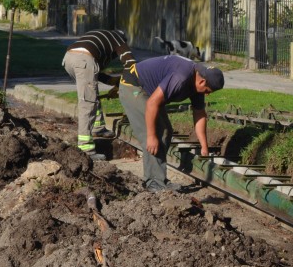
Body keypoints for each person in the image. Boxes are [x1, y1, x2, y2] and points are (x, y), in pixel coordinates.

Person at [119, 55, 223, 192]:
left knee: (166, 131)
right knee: (155, 133)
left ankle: (159, 180)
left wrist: (204, 147)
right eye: (208, 91)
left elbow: (199, 114)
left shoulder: (198, 83)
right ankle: (154, 183)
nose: (208, 95)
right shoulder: (181, 78)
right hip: (133, 85)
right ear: (203, 81)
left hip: (150, 93)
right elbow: (152, 104)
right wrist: (151, 136)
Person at [62, 29, 135, 161]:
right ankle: (86, 148)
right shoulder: (118, 39)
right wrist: (128, 84)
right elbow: (131, 65)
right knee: (87, 104)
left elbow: (94, 73)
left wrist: (113, 81)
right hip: (83, 59)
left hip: (69, 58)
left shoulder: (100, 38)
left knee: (91, 93)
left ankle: (98, 127)